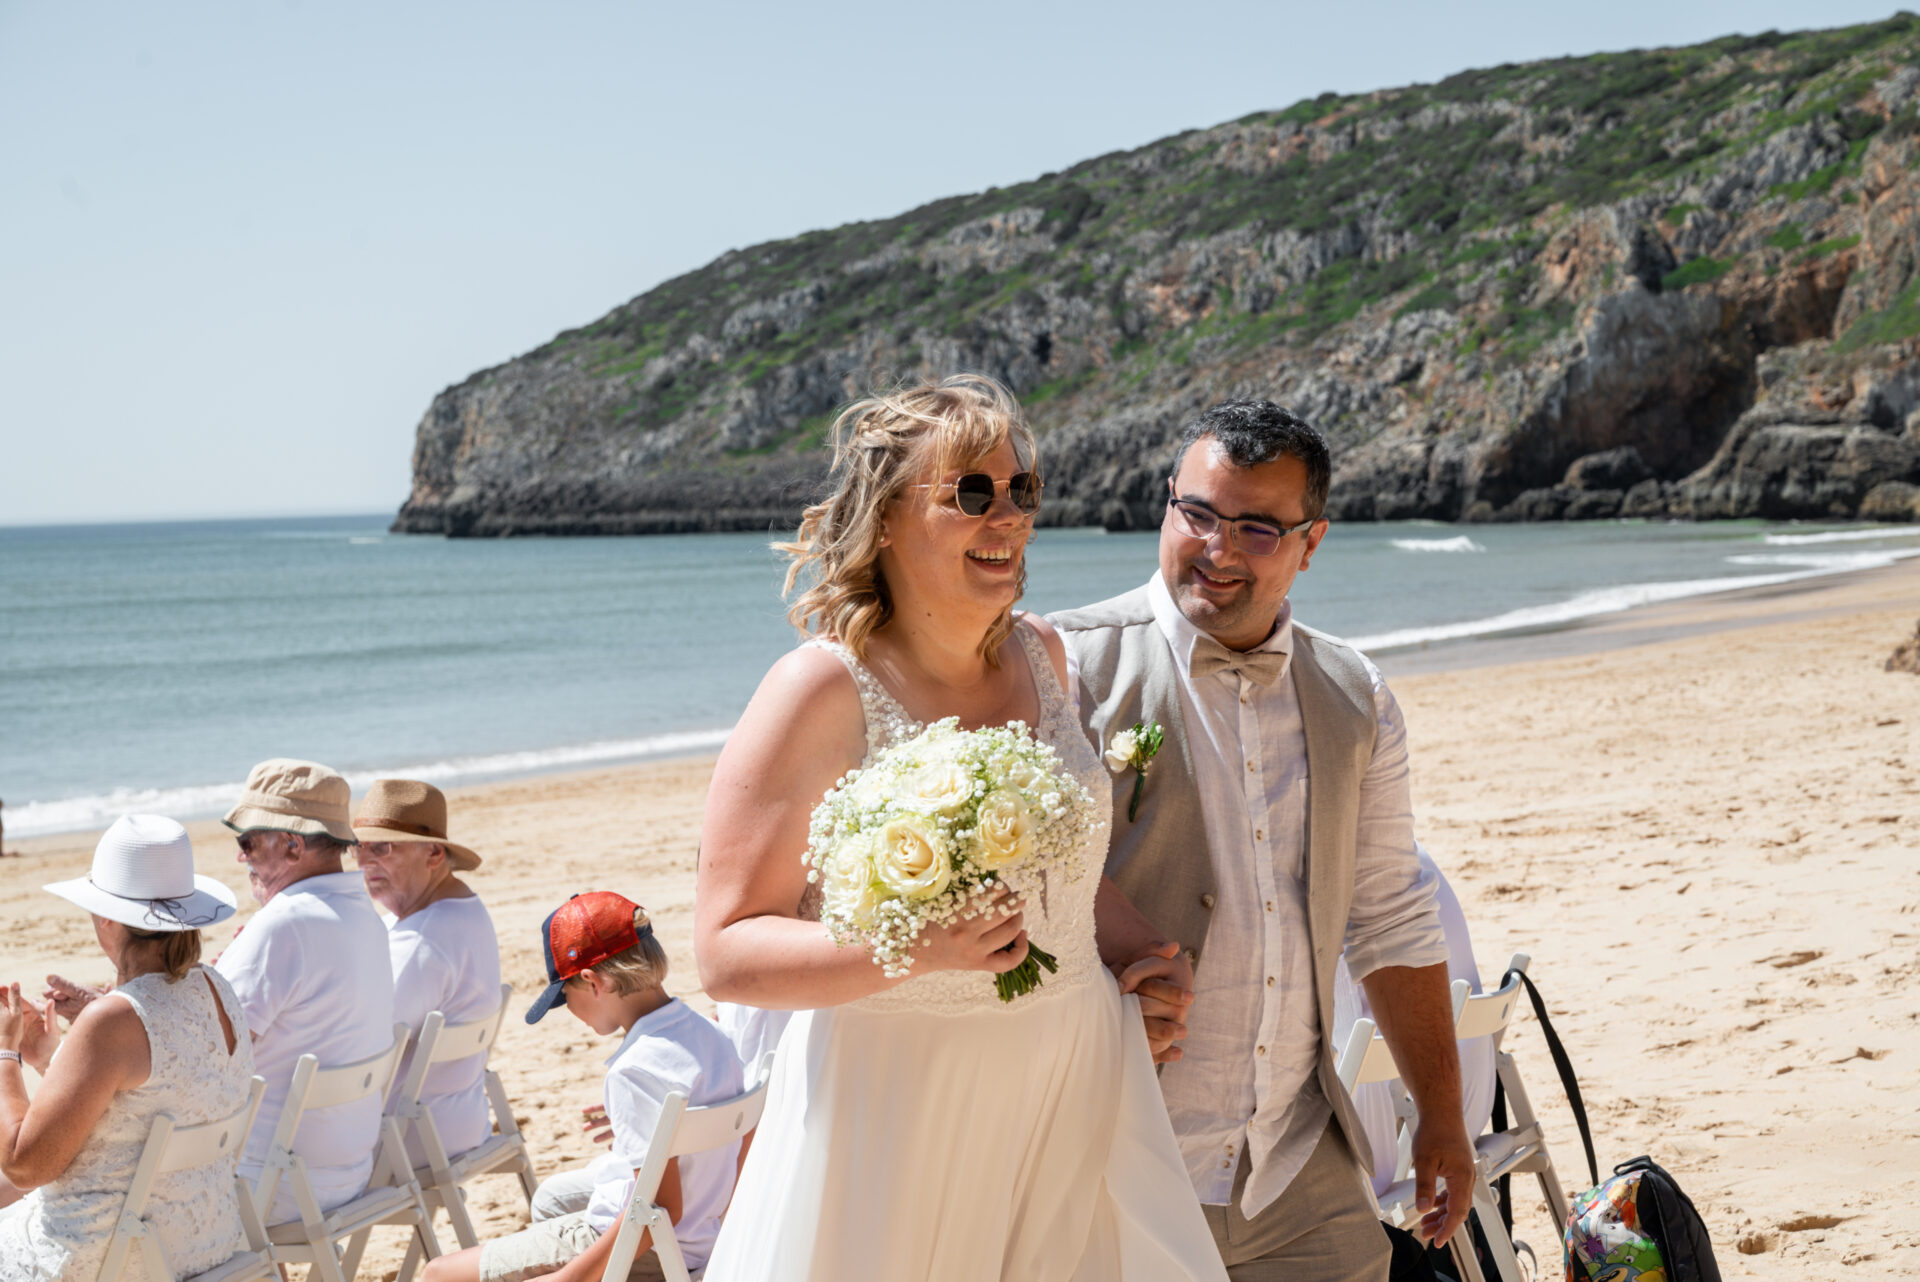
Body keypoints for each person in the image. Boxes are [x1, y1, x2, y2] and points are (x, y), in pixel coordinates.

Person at [694, 374, 1226, 1281]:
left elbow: (1064, 866)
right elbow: (726, 951)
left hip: (1073, 1073)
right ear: (888, 518)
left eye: (1023, 491)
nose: (1009, 516)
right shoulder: (819, 691)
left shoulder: (1044, 656)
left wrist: (1144, 956)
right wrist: (912, 950)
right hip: (901, 1104)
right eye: (972, 493)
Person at [1050, 400, 1477, 1281]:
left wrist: (1443, 1113)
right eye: (1197, 514)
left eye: (1255, 528)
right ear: (1166, 505)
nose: (1216, 548)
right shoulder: (1062, 666)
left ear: (1310, 544)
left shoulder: (1356, 693)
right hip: (1113, 1155)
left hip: (1292, 1163)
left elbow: (1389, 915)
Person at [423, 891, 744, 1282]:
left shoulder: (633, 1070)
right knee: (552, 1202)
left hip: (653, 1250)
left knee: (439, 1273)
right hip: (703, 1234)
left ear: (592, 981)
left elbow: (659, 1208)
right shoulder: (713, 1036)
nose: (570, 1011)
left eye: (565, 996)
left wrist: (568, 1278)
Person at [0, 815, 254, 1281]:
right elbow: (144, 1102)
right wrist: (51, 1058)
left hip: (112, 1254)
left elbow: (25, 1165)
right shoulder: (217, 988)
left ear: (109, 918)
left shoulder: (115, 1020)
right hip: (202, 1241)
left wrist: (7, 1054)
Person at [213, 758, 396, 1224]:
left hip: (269, 1185)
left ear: (293, 845)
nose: (241, 857)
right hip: (346, 1175)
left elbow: (207, 1057)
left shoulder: (285, 923)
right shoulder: (365, 917)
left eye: (248, 841)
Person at [1331, 845, 1499, 1200]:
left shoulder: (1344, 884)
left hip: (1422, 1142)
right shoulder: (1411, 856)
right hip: (1466, 1108)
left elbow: (1371, 1167)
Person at [353, 778, 503, 1165]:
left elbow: (360, 1044)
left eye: (382, 847)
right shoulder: (462, 908)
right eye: (358, 847)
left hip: (414, 1136)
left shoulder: (423, 940)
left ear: (434, 853)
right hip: (455, 1119)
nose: (364, 861)